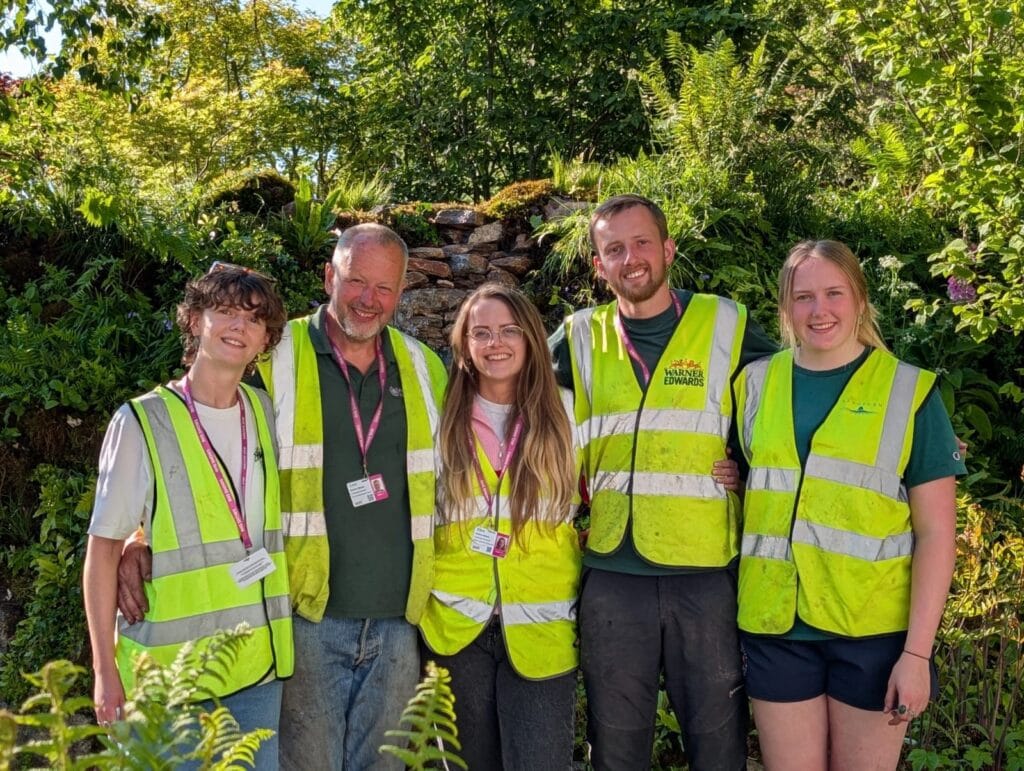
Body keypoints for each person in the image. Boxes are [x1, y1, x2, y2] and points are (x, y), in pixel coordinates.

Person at [117, 223, 448, 770]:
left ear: (403, 290)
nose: (369, 299)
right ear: (328, 276)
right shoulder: (273, 353)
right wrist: (139, 531)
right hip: (302, 614)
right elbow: (195, 438)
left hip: (400, 622)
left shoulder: (423, 366)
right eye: (356, 281)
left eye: (384, 288)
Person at [549, 194, 776, 770]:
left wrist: (749, 468)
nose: (632, 258)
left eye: (642, 242)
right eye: (614, 249)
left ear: (668, 248)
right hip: (611, 574)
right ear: (599, 267)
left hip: (703, 574)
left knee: (718, 745)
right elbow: (508, 399)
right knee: (616, 749)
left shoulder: (726, 323)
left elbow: (784, 405)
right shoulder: (576, 335)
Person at [733, 240, 964, 770]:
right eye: (804, 296)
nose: (820, 311)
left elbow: (937, 535)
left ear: (860, 300)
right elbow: (758, 483)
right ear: (786, 308)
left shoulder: (911, 393)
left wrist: (917, 655)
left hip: (873, 636)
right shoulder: (753, 384)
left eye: (834, 293)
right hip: (776, 628)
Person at [83, 262, 292, 769]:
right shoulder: (141, 421)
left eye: (253, 318)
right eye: (223, 311)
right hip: (168, 681)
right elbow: (102, 551)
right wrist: (104, 671)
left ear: (266, 340)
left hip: (256, 672)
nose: (237, 327)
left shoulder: (265, 411)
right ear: (195, 320)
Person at [419, 283, 582, 770]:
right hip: (455, 629)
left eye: (510, 330)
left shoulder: (571, 411)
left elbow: (624, 476)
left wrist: (724, 468)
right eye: (482, 332)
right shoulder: (436, 414)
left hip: (542, 631)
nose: (496, 344)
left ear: (532, 337)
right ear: (464, 343)